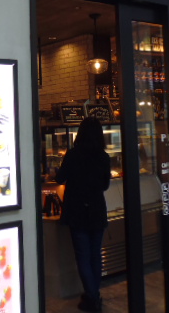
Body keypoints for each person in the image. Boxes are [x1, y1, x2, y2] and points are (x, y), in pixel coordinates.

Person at [56, 117, 111, 312]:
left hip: (77, 210)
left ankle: (92, 297)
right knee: (95, 255)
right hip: (97, 209)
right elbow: (105, 185)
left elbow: (60, 178)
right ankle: (93, 295)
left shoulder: (72, 155)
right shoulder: (103, 157)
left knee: (83, 256)